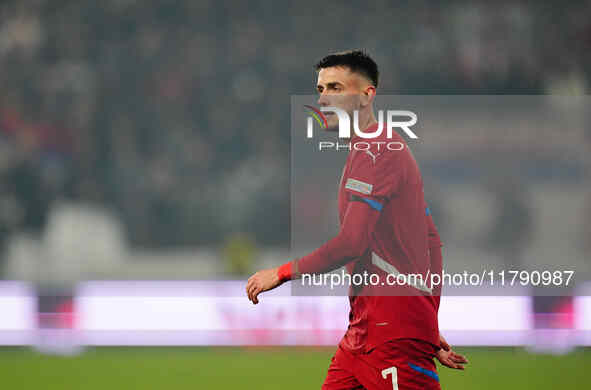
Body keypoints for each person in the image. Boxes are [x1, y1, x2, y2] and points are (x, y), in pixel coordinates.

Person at [246, 50, 467, 389]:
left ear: (367, 95)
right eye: (320, 89)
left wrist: (281, 272)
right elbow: (431, 242)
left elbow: (352, 243)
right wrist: (427, 321)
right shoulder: (379, 148)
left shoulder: (375, 151)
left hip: (391, 335)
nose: (323, 98)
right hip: (364, 334)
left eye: (335, 88)